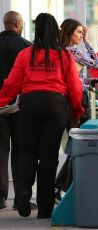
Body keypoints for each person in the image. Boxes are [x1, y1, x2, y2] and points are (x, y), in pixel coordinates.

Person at [0, 12, 83, 218]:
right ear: (56, 31)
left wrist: (1, 101)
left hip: (29, 104)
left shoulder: (26, 54)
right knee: (49, 156)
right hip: (55, 105)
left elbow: (11, 83)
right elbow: (74, 87)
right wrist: (77, 111)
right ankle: (45, 208)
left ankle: (24, 192)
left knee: (27, 151)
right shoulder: (64, 55)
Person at [54, 18, 98, 201]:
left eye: (83, 33)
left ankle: (61, 187)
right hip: (76, 100)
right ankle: (59, 186)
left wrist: (88, 81)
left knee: (75, 145)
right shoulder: (72, 51)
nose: (82, 35)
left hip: (63, 99)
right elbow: (96, 64)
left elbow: (75, 77)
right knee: (80, 145)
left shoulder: (58, 51)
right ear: (69, 32)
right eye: (79, 32)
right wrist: (88, 43)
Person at [0, 11, 31, 210]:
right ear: (18, 24)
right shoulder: (27, 47)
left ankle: (0, 197)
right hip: (20, 105)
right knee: (21, 151)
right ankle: (20, 197)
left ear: (5, 24)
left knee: (0, 150)